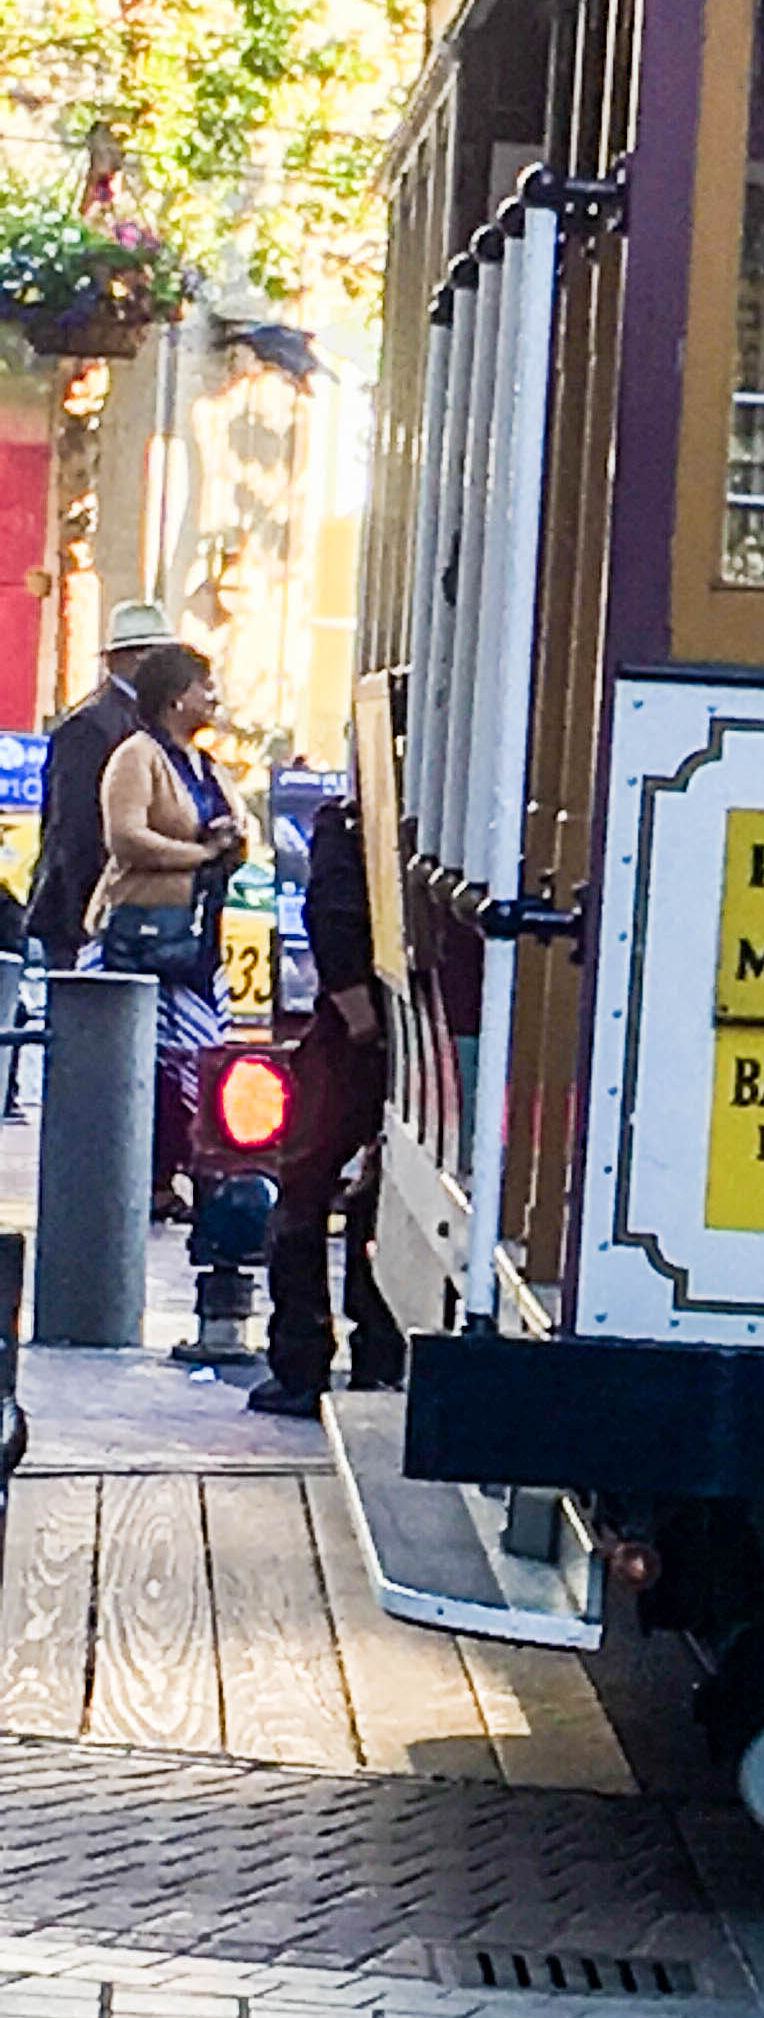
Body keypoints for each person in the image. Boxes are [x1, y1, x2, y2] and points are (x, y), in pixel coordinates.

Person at [251, 795, 405, 1419]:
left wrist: (357, 1016)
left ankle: (300, 1363)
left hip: (353, 1032)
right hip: (405, 1023)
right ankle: (379, 1357)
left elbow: (332, 916)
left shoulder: (345, 823)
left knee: (304, 1184)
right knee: (381, 1192)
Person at [90, 641, 242, 1215]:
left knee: (203, 1058)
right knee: (147, 1062)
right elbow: (125, 837)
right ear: (177, 697)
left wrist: (228, 843)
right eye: (205, 686)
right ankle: (148, 1176)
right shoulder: (137, 756)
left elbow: (231, 832)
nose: (215, 697)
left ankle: (197, 1171)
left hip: (197, 942)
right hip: (140, 938)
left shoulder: (205, 765)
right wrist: (198, 856)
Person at [27, 596, 175, 967]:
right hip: (82, 919)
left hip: (126, 915)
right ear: (128, 660)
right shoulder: (91, 727)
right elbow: (74, 831)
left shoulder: (148, 724)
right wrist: (96, 913)